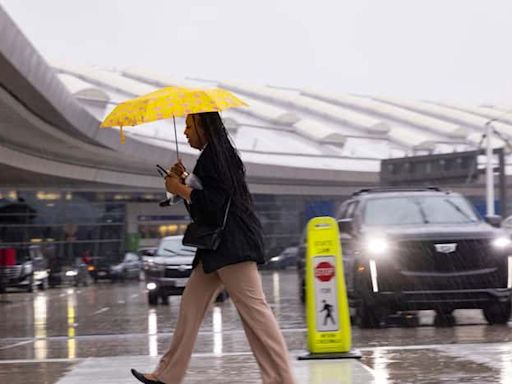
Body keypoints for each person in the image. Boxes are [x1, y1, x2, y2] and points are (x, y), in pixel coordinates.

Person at [131, 112, 295, 384]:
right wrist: (184, 182)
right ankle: (166, 375)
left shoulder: (217, 156)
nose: (185, 132)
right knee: (190, 308)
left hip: (232, 246)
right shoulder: (215, 155)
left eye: (188, 125)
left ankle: (282, 380)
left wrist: (180, 189)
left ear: (203, 125)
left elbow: (215, 204)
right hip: (217, 247)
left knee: (256, 314)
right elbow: (206, 206)